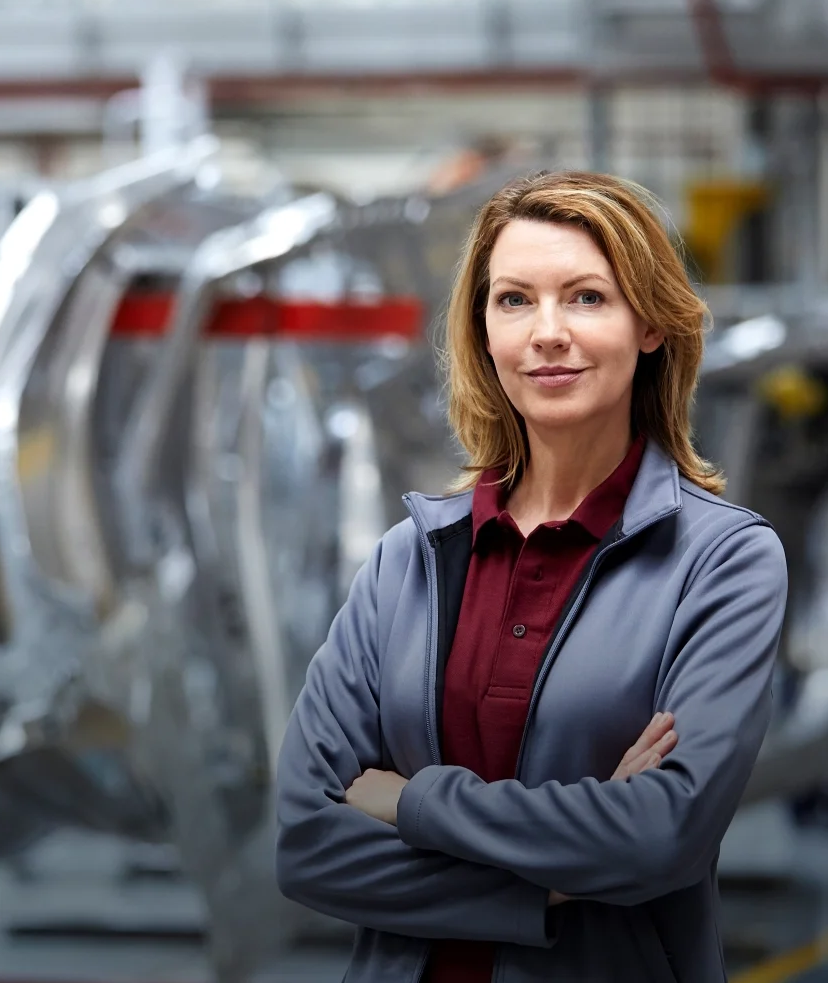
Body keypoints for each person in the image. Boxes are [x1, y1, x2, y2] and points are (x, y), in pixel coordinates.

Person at [275, 170, 788, 982]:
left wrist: (411, 801)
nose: (546, 332)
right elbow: (306, 843)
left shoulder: (721, 561)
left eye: (586, 297)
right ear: (483, 330)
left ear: (651, 323)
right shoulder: (407, 560)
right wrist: (550, 887)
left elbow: (662, 835)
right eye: (514, 300)